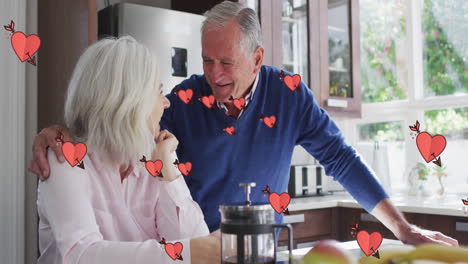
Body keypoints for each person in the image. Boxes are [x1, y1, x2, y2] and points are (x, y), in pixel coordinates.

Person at [30, 1, 458, 247]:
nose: (214, 74)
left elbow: (341, 160)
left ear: (257, 58)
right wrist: (63, 132)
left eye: (227, 62)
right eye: (207, 60)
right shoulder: (181, 101)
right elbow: (117, 121)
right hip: (200, 253)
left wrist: (401, 228)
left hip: (259, 250)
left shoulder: (289, 95)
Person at [35, 36, 220, 264]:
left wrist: (169, 172)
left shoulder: (151, 159)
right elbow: (81, 255)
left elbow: (197, 243)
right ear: (130, 103)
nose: (166, 103)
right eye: (159, 92)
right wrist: (192, 252)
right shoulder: (64, 159)